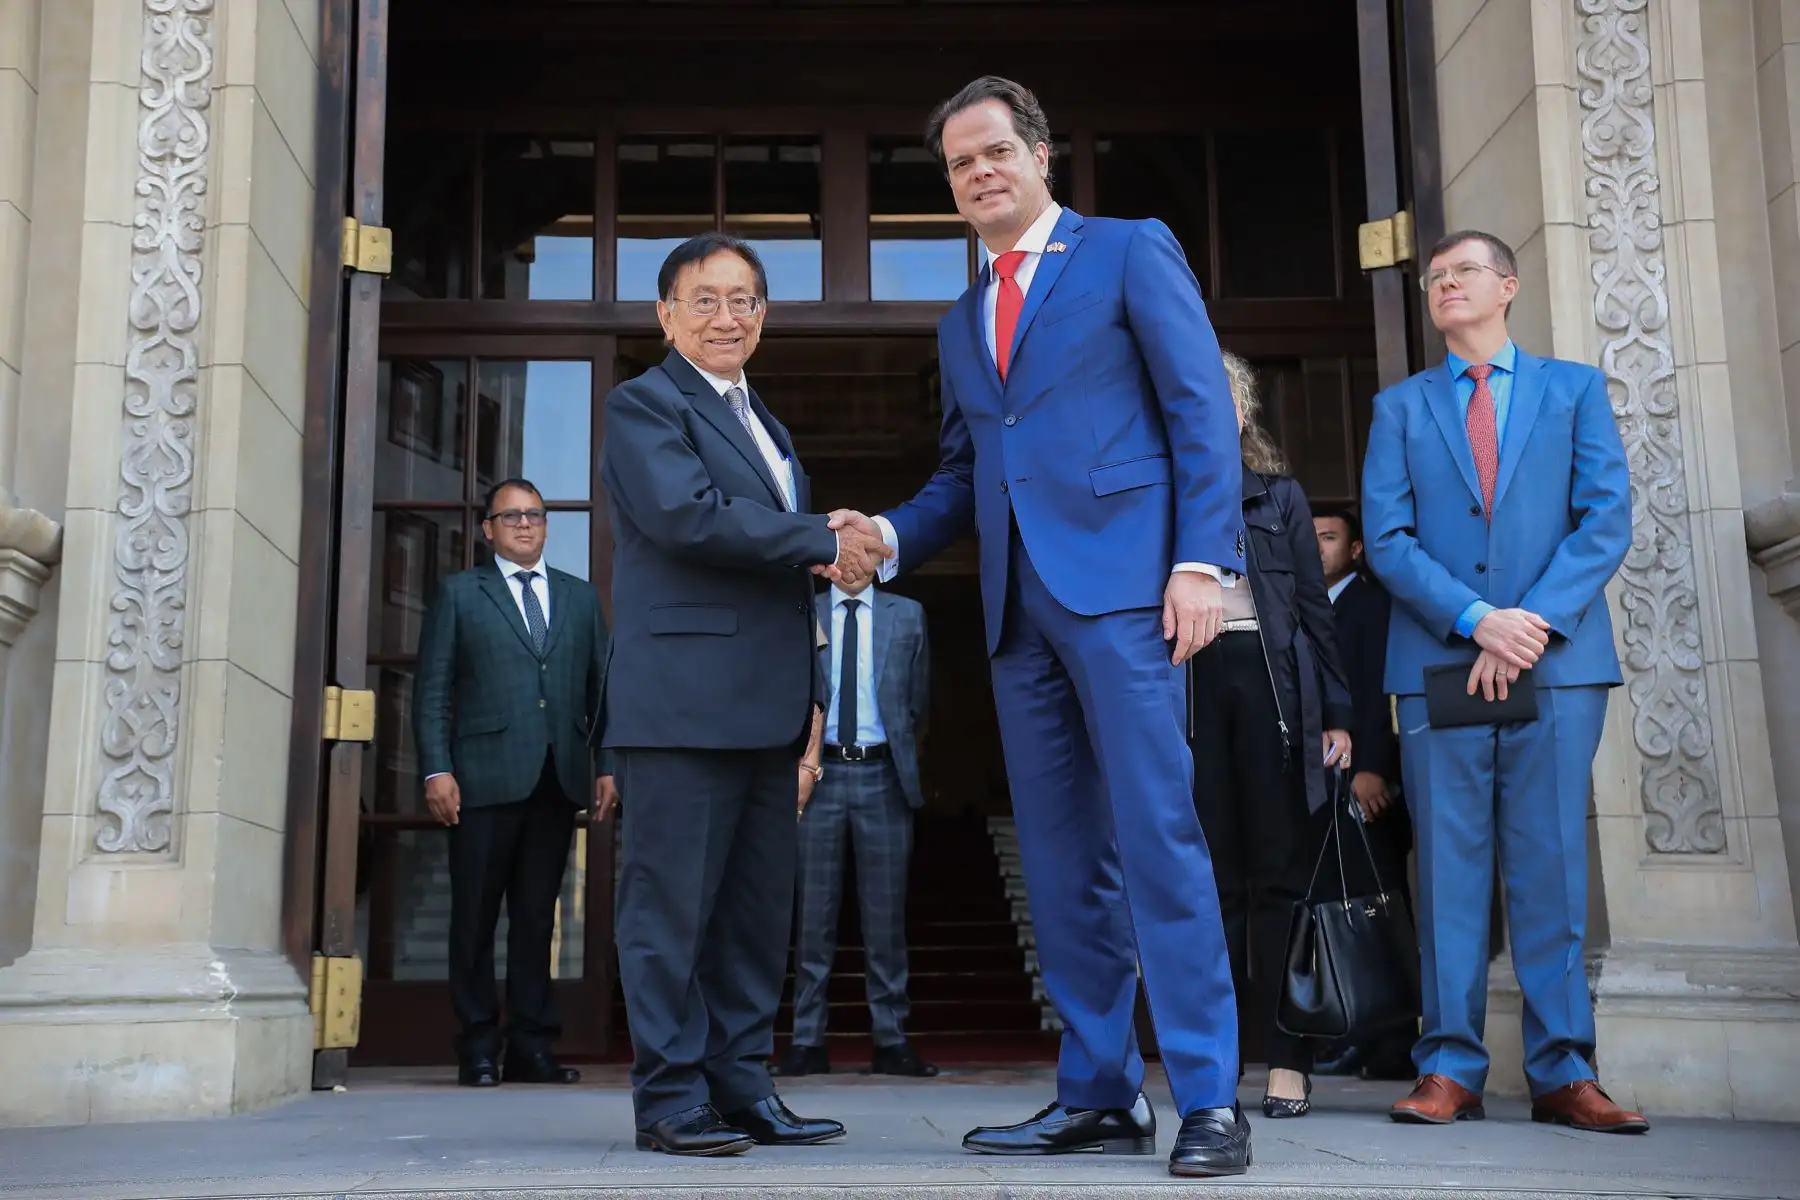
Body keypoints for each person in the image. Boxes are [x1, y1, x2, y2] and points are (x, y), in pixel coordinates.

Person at [835, 75, 1250, 1177]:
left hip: (1128, 594)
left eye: (994, 153)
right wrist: (882, 528)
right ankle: (1098, 1092)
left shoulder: (1126, 249)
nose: (979, 174)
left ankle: (1210, 1096)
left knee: (1158, 840)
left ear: (1040, 155)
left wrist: (1201, 559)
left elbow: (1198, 407)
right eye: (960, 164)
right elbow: (966, 474)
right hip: (1019, 613)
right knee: (1066, 862)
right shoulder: (961, 319)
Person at [600, 233, 890, 1156]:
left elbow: (767, 554)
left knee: (754, 914)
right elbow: (686, 516)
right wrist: (819, 537)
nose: (726, 317)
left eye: (743, 300)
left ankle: (741, 1084)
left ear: (764, 315)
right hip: (681, 703)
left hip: (765, 710)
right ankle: (670, 1097)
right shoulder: (642, 404)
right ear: (666, 314)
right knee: (670, 912)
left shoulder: (769, 425)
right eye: (705, 299)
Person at [1362, 229, 1646, 1132]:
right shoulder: (1399, 408)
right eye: (1434, 278)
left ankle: (1565, 1073)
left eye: (1463, 273)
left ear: (1508, 286)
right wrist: (1477, 620)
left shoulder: (1574, 390)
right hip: (1440, 660)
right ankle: (1449, 1068)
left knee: (1551, 866)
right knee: (1447, 873)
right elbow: (1387, 540)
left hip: (1557, 666)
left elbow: (1605, 519)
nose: (1445, 285)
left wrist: (1526, 626)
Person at [1188, 353, 1353, 1121]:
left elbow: (1316, 613)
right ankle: (1214, 1063)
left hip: (1271, 691)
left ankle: (1287, 1059)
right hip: (1187, 690)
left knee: (1279, 885)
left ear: (1241, 414)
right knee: (1211, 887)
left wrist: (1342, 716)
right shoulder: (1155, 494)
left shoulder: (1278, 497)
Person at [412, 477, 613, 1089]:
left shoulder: (580, 598)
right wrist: (435, 768)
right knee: (473, 917)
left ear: (547, 526)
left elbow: (600, 693)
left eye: (535, 515)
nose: (525, 525)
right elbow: (432, 690)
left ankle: (531, 1045)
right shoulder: (459, 594)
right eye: (511, 516)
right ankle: (477, 1045)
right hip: (479, 780)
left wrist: (606, 765)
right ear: (488, 529)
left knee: (536, 919)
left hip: (557, 779)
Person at [775, 577, 937, 1079]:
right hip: (818, 776)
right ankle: (806, 1040)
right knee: (812, 916)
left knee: (885, 917)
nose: (852, 561)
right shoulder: (807, 609)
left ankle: (892, 1039)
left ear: (880, 558)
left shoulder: (908, 614)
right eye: (843, 549)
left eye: (864, 548)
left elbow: (919, 701)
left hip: (882, 774)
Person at [1310, 505, 1417, 1083]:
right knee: (1336, 908)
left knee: (1378, 907)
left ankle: (1393, 1041)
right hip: (1322, 787)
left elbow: (1382, 690)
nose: (1317, 547)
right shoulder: (1309, 607)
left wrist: (1374, 769)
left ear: (1354, 550)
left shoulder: (1372, 605)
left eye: (1328, 537)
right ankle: (1352, 1033)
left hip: (1366, 784)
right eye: (1310, 538)